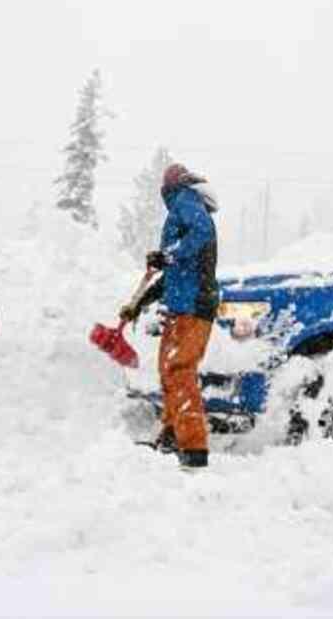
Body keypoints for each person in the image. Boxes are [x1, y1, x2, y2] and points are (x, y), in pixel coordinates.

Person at [121, 163, 219, 469]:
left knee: (179, 370)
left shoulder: (185, 200)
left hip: (193, 307)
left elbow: (200, 233)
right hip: (181, 308)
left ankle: (194, 448)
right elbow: (171, 278)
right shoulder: (184, 208)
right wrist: (140, 303)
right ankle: (173, 434)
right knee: (169, 371)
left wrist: (168, 254)